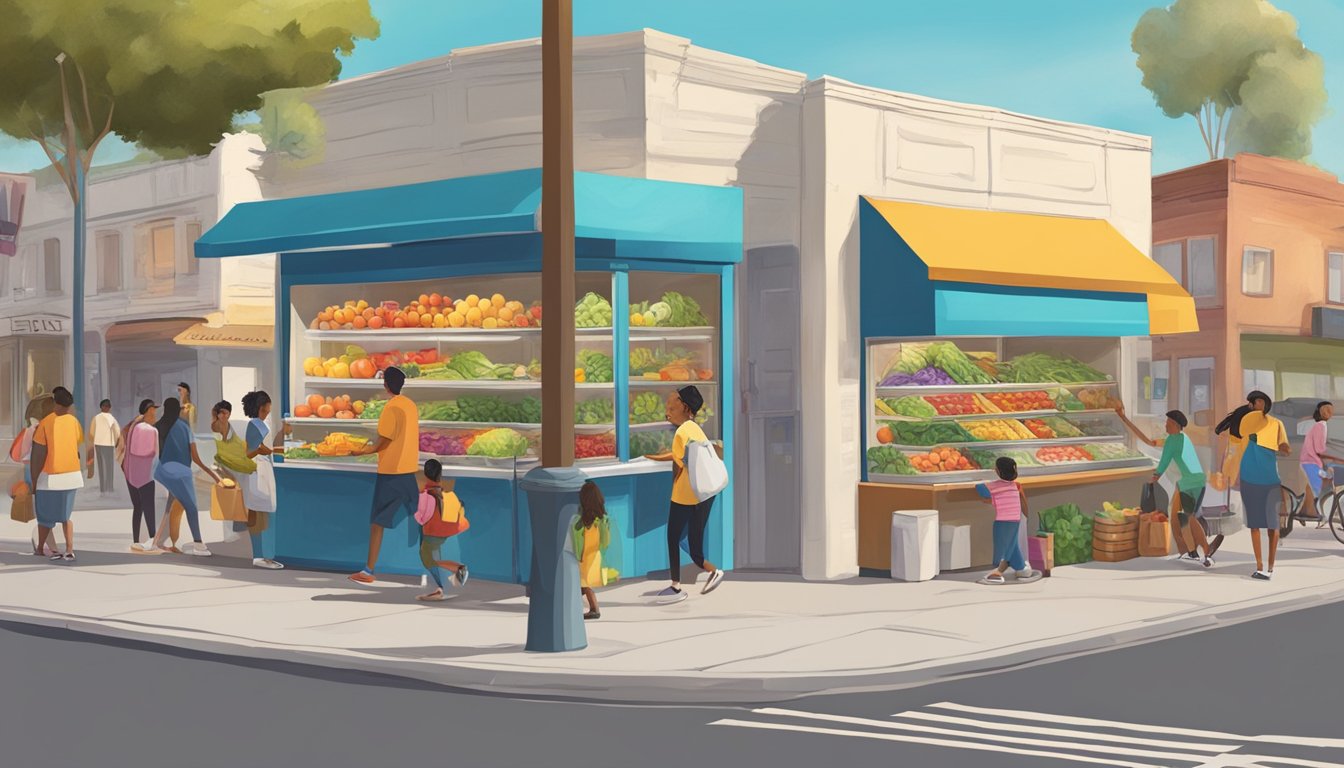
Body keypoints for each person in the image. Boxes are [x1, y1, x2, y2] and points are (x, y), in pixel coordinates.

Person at [643, 385, 725, 603]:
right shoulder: (694, 428)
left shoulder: (681, 432)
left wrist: (653, 458)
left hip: (684, 494)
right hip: (702, 494)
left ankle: (676, 587)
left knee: (673, 537)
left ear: (686, 407)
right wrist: (657, 457)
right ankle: (712, 570)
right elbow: (683, 456)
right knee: (692, 540)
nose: (667, 412)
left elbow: (679, 462)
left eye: (672, 406)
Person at [1117, 405, 1213, 568]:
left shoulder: (1173, 442)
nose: (1165, 425)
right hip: (1192, 482)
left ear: (1175, 425)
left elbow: (1163, 463)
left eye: (1168, 422)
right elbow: (1149, 441)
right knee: (1180, 519)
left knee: (1186, 518)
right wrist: (1124, 419)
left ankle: (1205, 550)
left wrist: (1153, 479)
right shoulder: (1182, 437)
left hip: (1189, 483)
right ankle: (1191, 553)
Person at [349, 367, 419, 584]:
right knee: (419, 518)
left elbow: (385, 440)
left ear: (386, 385)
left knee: (377, 523)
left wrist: (365, 450)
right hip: (409, 469)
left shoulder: (391, 407)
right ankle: (435, 565)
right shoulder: (410, 405)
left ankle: (368, 571)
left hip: (391, 472)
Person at [1216, 390, 1290, 581]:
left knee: (1272, 526)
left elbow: (1286, 449)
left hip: (1271, 480)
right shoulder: (1244, 425)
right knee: (1255, 525)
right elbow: (1233, 449)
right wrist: (1227, 474)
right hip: (1249, 480)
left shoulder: (1276, 424)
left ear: (1265, 403)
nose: (1257, 404)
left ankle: (1270, 567)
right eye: (1253, 402)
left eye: (1259, 401)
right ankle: (1260, 566)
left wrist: (1272, 445)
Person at [149, 397, 223, 557]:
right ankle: (198, 544)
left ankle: (158, 542)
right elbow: (195, 457)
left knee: (170, 504)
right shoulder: (184, 427)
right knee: (191, 507)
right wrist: (213, 474)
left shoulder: (156, 427)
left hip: (162, 472)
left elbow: (153, 453)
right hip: (181, 474)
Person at [30, 387, 91, 562]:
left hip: (50, 477)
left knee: (45, 516)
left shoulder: (46, 423)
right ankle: (70, 549)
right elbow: (78, 448)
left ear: (55, 403)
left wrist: (34, 480)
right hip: (72, 476)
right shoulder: (74, 422)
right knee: (66, 516)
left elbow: (38, 456)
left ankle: (41, 548)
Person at [239, 391, 288, 569]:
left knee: (260, 512)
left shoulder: (260, 423)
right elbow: (249, 452)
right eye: (267, 408)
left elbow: (265, 447)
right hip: (257, 471)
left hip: (262, 470)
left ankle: (261, 555)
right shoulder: (255, 425)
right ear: (261, 408)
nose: (269, 411)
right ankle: (260, 556)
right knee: (259, 513)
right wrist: (261, 451)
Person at [413, 458, 469, 601]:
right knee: (434, 556)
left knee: (427, 558)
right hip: (446, 529)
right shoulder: (443, 492)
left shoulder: (425, 495)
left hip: (433, 531)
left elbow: (421, 518)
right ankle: (440, 588)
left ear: (425, 474)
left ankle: (458, 569)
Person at [975, 457, 1039, 584]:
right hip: (1015, 520)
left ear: (997, 471)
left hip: (1002, 521)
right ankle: (1022, 568)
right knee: (1012, 544)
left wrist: (981, 480)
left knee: (1003, 546)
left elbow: (980, 490)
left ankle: (998, 572)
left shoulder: (994, 486)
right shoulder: (1016, 486)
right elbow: (1013, 501)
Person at [9, 394, 58, 556]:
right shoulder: (50, 428)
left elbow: (21, 454)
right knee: (45, 510)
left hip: (32, 471)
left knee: (42, 510)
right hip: (46, 471)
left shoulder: (31, 430)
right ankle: (50, 545)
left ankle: (47, 544)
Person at [121, 399, 160, 553]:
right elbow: (155, 452)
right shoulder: (151, 431)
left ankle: (136, 540)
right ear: (148, 412)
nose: (155, 417)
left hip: (130, 475)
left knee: (137, 507)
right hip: (145, 475)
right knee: (149, 507)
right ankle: (152, 539)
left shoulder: (133, 427)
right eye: (153, 413)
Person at [572, 480, 614, 620]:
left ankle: (591, 608)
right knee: (584, 584)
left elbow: (577, 540)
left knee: (583, 583)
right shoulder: (602, 520)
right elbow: (605, 541)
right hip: (595, 556)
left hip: (584, 558)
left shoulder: (581, 521)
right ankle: (593, 608)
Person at [1299, 401, 1344, 528]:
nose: (1329, 413)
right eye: (1326, 410)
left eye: (1330, 410)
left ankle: (1304, 512)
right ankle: (1316, 513)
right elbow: (1320, 449)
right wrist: (1337, 458)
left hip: (1310, 461)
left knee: (1319, 486)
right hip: (1311, 461)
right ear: (1321, 412)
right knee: (1320, 489)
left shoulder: (1319, 425)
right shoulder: (1321, 426)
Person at [87, 399, 121, 494]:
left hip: (98, 444)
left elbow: (91, 433)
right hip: (109, 444)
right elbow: (117, 431)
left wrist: (93, 440)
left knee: (101, 466)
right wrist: (117, 441)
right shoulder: (111, 418)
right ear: (109, 408)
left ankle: (103, 488)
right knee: (109, 466)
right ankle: (109, 487)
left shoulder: (96, 418)